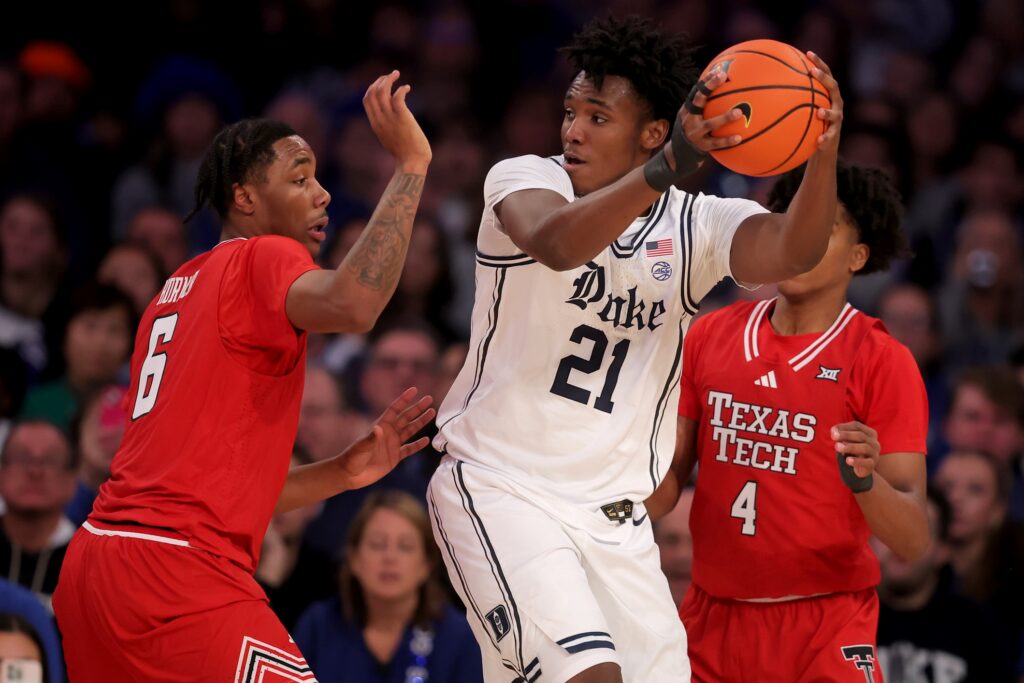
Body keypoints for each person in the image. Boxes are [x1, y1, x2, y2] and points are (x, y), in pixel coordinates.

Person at [427, 15, 844, 683]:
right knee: (593, 676)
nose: (573, 129)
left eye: (597, 116)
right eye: (571, 110)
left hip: (615, 523)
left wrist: (821, 150)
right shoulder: (526, 180)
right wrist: (661, 171)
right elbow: (558, 245)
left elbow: (796, 248)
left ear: (653, 133)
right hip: (503, 487)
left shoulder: (696, 222)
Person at [53, 71, 435, 682]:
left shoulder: (170, 295)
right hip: (176, 576)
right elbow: (354, 304)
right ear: (246, 198)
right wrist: (412, 164)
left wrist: (341, 472)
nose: (324, 194)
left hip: (97, 562)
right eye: (300, 177)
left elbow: (194, 487)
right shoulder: (262, 255)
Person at [652, 162, 928, 682]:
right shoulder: (708, 335)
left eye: (821, 228)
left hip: (824, 622)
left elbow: (913, 540)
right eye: (788, 221)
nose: (798, 239)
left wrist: (865, 483)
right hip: (711, 615)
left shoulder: (881, 359)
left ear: (858, 256)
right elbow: (665, 488)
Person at [294, 490, 483, 683]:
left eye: (405, 547)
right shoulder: (318, 626)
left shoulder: (460, 637)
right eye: (377, 545)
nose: (390, 558)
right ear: (353, 558)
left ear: (427, 564)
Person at [874, 488, 1015, 682]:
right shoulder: (842, 621)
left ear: (942, 550)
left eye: (919, 530)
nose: (901, 542)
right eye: (889, 527)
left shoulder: (978, 627)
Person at [0, 421, 77, 610]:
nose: (35, 471)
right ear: (1, 473)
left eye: (50, 460)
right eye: (21, 458)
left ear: (71, 480)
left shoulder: (87, 561)